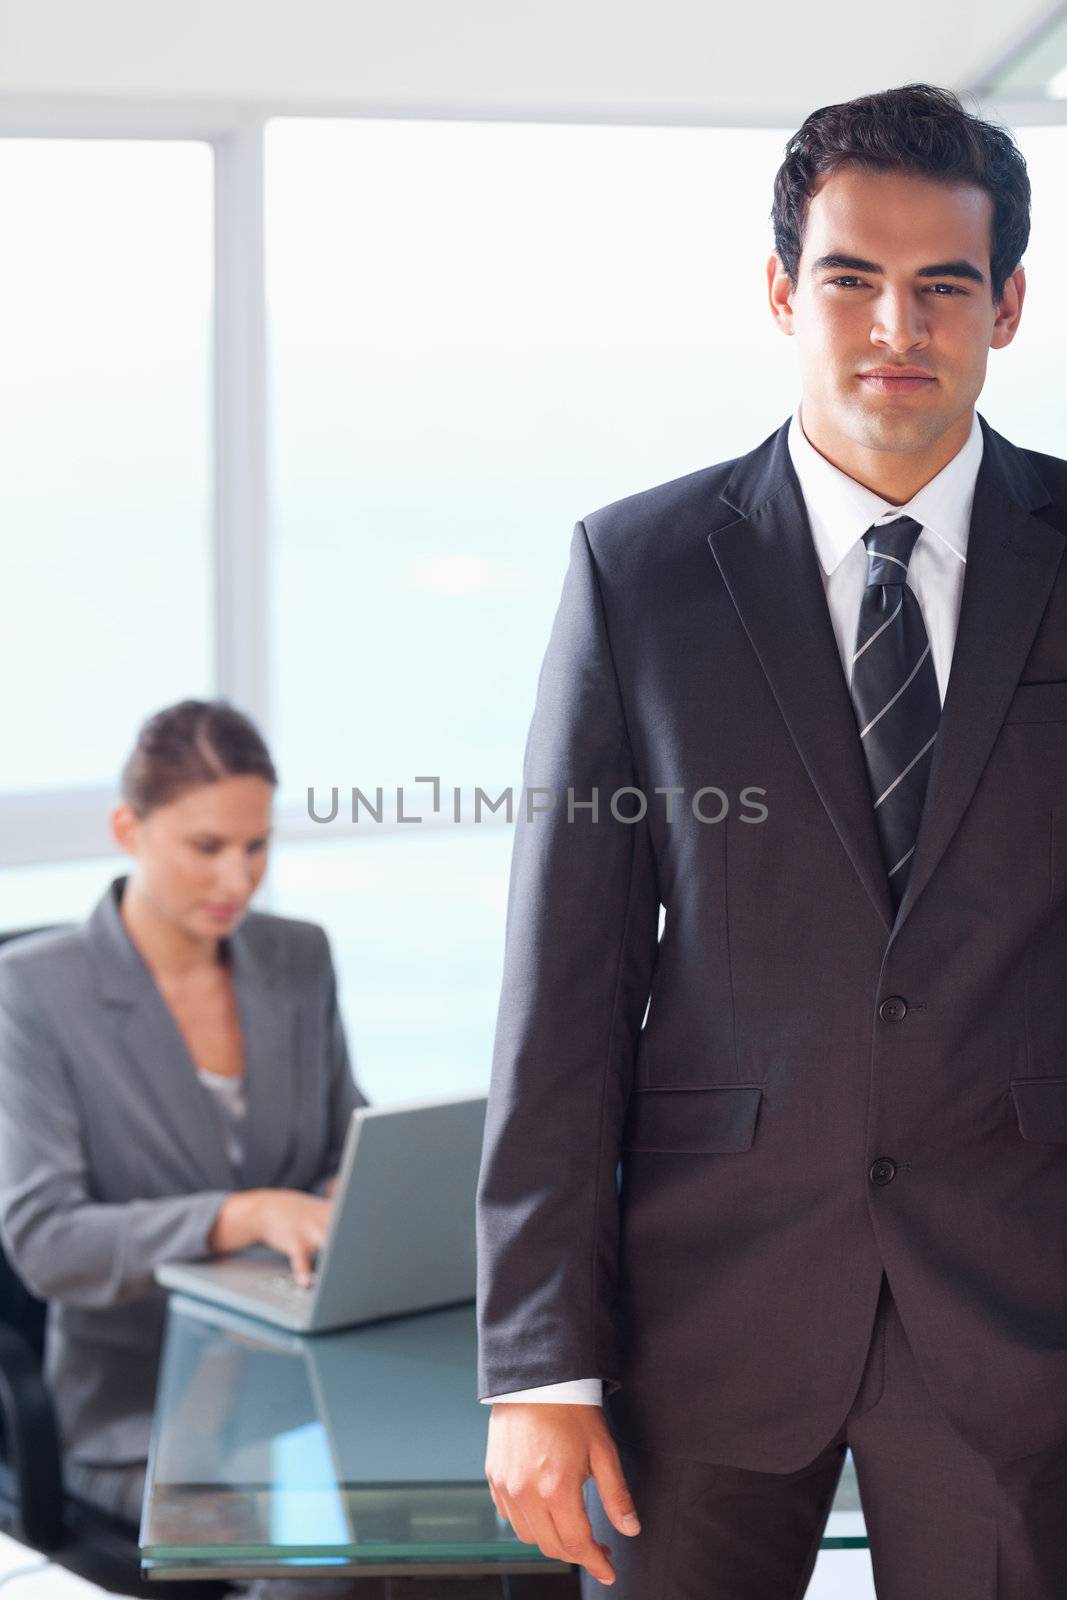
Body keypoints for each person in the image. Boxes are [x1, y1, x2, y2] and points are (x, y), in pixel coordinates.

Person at [476, 82, 1067, 1598]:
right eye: (849, 279)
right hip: (704, 1313)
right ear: (776, 292)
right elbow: (566, 984)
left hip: (1022, 1316)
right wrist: (538, 1364)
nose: (895, 326)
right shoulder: (639, 572)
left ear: (1003, 307)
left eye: (942, 286)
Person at [0, 699, 366, 1565]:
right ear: (128, 827)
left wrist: (353, 1194)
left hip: (309, 1385)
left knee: (511, 1523)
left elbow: (342, 1149)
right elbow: (47, 1241)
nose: (238, 880)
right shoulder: (33, 993)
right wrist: (238, 1215)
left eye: (256, 846)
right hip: (142, 1413)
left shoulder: (296, 956)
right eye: (206, 847)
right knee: (323, 1566)